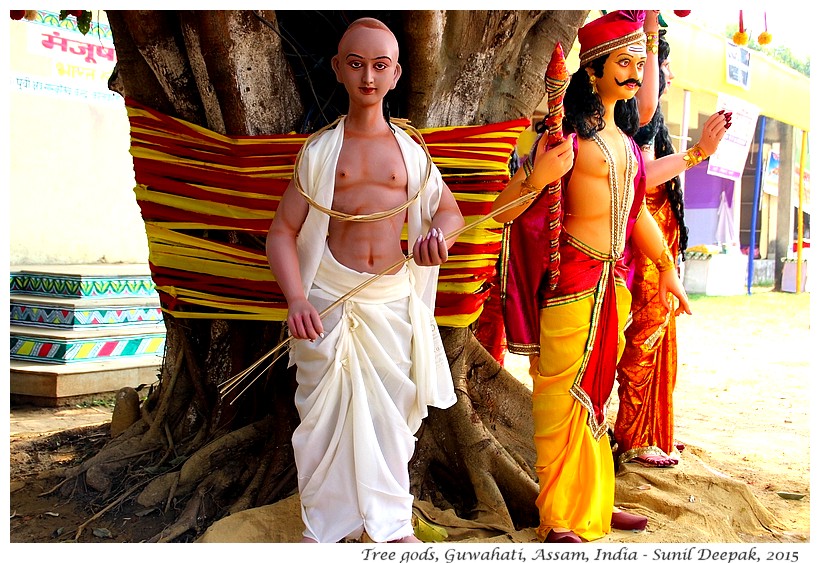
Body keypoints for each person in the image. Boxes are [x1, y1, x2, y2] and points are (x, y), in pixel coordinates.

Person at [493, 10, 730, 543]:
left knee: (596, 399)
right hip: (571, 280)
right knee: (563, 398)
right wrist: (538, 176)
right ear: (594, 71)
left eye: (640, 64)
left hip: (612, 284)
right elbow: (504, 211)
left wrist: (668, 269)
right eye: (624, 63)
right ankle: (560, 514)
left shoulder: (623, 142)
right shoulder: (560, 139)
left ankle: (596, 497)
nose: (633, 74)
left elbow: (636, 213)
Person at [265, 17, 464, 544]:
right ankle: (324, 528)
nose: (368, 77)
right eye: (356, 64)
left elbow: (450, 213)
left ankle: (392, 527)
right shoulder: (319, 152)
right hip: (329, 300)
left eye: (379, 66)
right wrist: (296, 299)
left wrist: (437, 239)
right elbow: (283, 231)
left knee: (388, 423)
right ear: (338, 69)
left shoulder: (413, 153)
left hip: (390, 301)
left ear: (396, 74)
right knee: (323, 424)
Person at [614, 31, 729, 468]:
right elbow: (642, 180)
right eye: (661, 66)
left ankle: (653, 429)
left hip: (658, 243)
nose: (669, 74)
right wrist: (701, 151)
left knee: (657, 334)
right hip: (642, 243)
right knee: (644, 336)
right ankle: (634, 434)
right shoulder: (633, 116)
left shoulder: (646, 118)